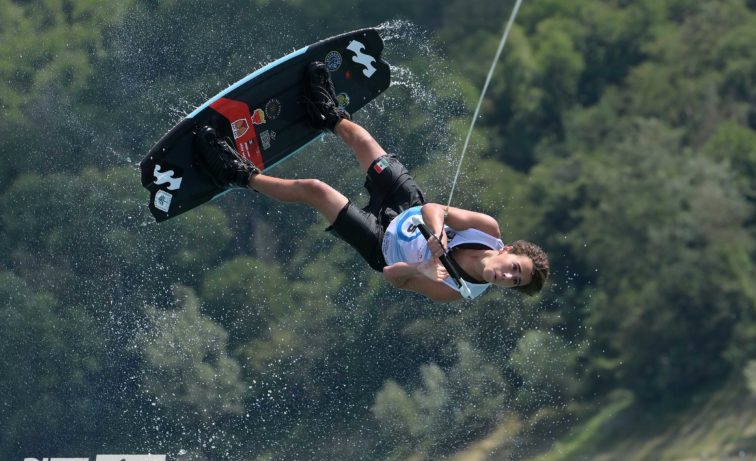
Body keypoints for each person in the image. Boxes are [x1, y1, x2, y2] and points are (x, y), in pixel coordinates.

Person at [194, 62, 549, 302]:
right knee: (364, 142)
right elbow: (434, 209)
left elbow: (393, 277)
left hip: (381, 243)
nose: (508, 277)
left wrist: (423, 268)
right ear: (507, 250)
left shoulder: (458, 290)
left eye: (515, 282)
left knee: (315, 190)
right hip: (408, 208)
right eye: (515, 269)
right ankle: (326, 113)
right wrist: (439, 236)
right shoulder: (487, 230)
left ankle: (236, 172)